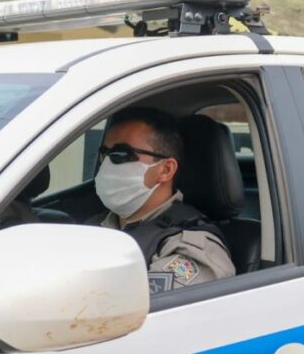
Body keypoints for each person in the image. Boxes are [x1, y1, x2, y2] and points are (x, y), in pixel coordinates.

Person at [93, 107, 235, 292]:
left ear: (166, 170)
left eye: (121, 154)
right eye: (105, 153)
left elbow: (136, 314)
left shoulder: (191, 249)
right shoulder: (97, 226)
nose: (107, 164)